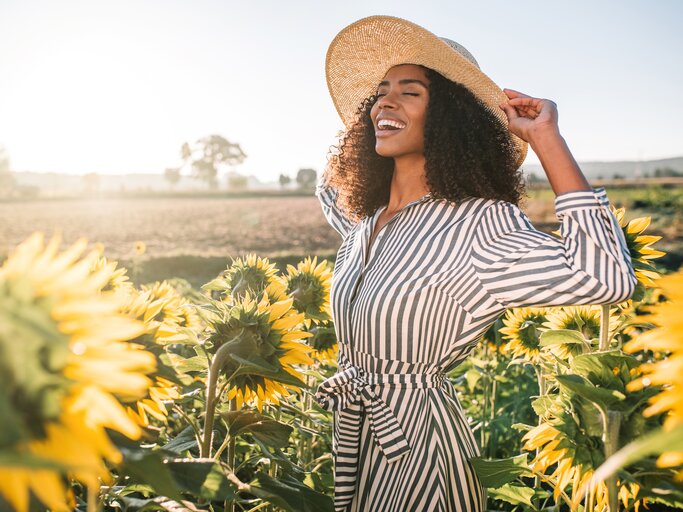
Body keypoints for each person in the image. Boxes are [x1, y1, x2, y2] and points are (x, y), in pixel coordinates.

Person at [313, 15, 636, 512]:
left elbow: (606, 276)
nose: (385, 102)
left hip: (418, 450)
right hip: (355, 442)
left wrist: (547, 138)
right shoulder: (366, 224)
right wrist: (358, 147)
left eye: (411, 91)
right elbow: (329, 187)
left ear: (451, 117)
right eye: (378, 92)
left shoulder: (479, 226)